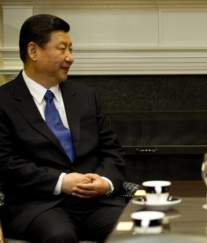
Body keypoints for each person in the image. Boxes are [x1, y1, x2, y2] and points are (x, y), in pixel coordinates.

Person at [0, 14, 126, 242]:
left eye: (71, 49)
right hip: (39, 205)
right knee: (59, 237)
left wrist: (105, 183)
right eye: (62, 49)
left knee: (133, 232)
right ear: (33, 51)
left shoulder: (86, 96)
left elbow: (112, 150)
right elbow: (6, 162)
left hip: (97, 203)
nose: (71, 57)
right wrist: (61, 182)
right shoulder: (4, 101)